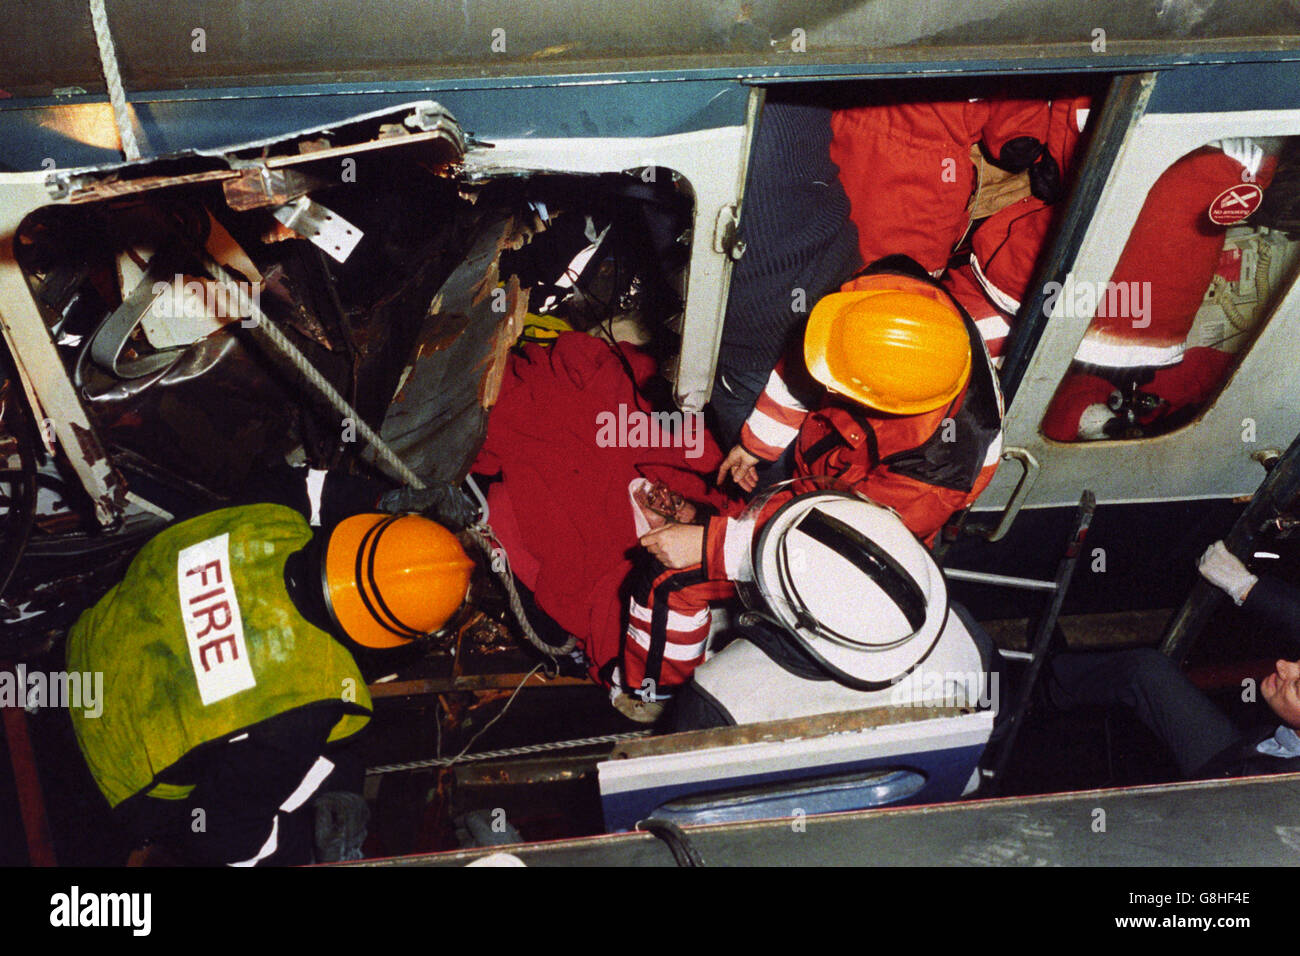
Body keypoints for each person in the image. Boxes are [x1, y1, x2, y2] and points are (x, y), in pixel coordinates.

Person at [618, 262, 1004, 717]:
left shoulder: (938, 471)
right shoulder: (885, 300)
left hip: (860, 546)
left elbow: (840, 543)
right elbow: (810, 365)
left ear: (882, 402)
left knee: (671, 581)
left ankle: (655, 699)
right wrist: (755, 444)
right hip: (827, 476)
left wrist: (712, 546)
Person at [66, 485, 474, 866]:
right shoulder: (311, 696)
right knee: (327, 765)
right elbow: (224, 839)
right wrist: (309, 846)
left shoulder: (271, 516)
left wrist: (391, 499)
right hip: (116, 772)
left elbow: (314, 486)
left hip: (87, 646)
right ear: (392, 637)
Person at [1043, 539, 1300, 779]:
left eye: (1297, 686)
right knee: (1146, 670)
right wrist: (1245, 587)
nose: (1283, 665)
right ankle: (1053, 686)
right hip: (1248, 753)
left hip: (1222, 794)